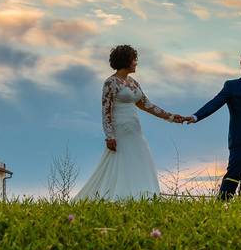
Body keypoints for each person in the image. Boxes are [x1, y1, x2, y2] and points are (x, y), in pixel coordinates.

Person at [74, 45, 186, 200]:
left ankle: (141, 196)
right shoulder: (110, 83)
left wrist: (172, 117)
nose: (136, 63)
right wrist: (109, 136)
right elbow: (106, 110)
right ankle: (119, 196)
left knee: (139, 159)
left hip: (135, 128)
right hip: (120, 129)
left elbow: (147, 105)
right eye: (134, 59)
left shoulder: (133, 82)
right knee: (121, 162)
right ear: (125, 60)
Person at [185, 50, 241, 200]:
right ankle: (221, 206)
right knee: (233, 175)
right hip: (240, 139)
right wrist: (196, 116)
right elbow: (215, 102)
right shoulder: (232, 86)